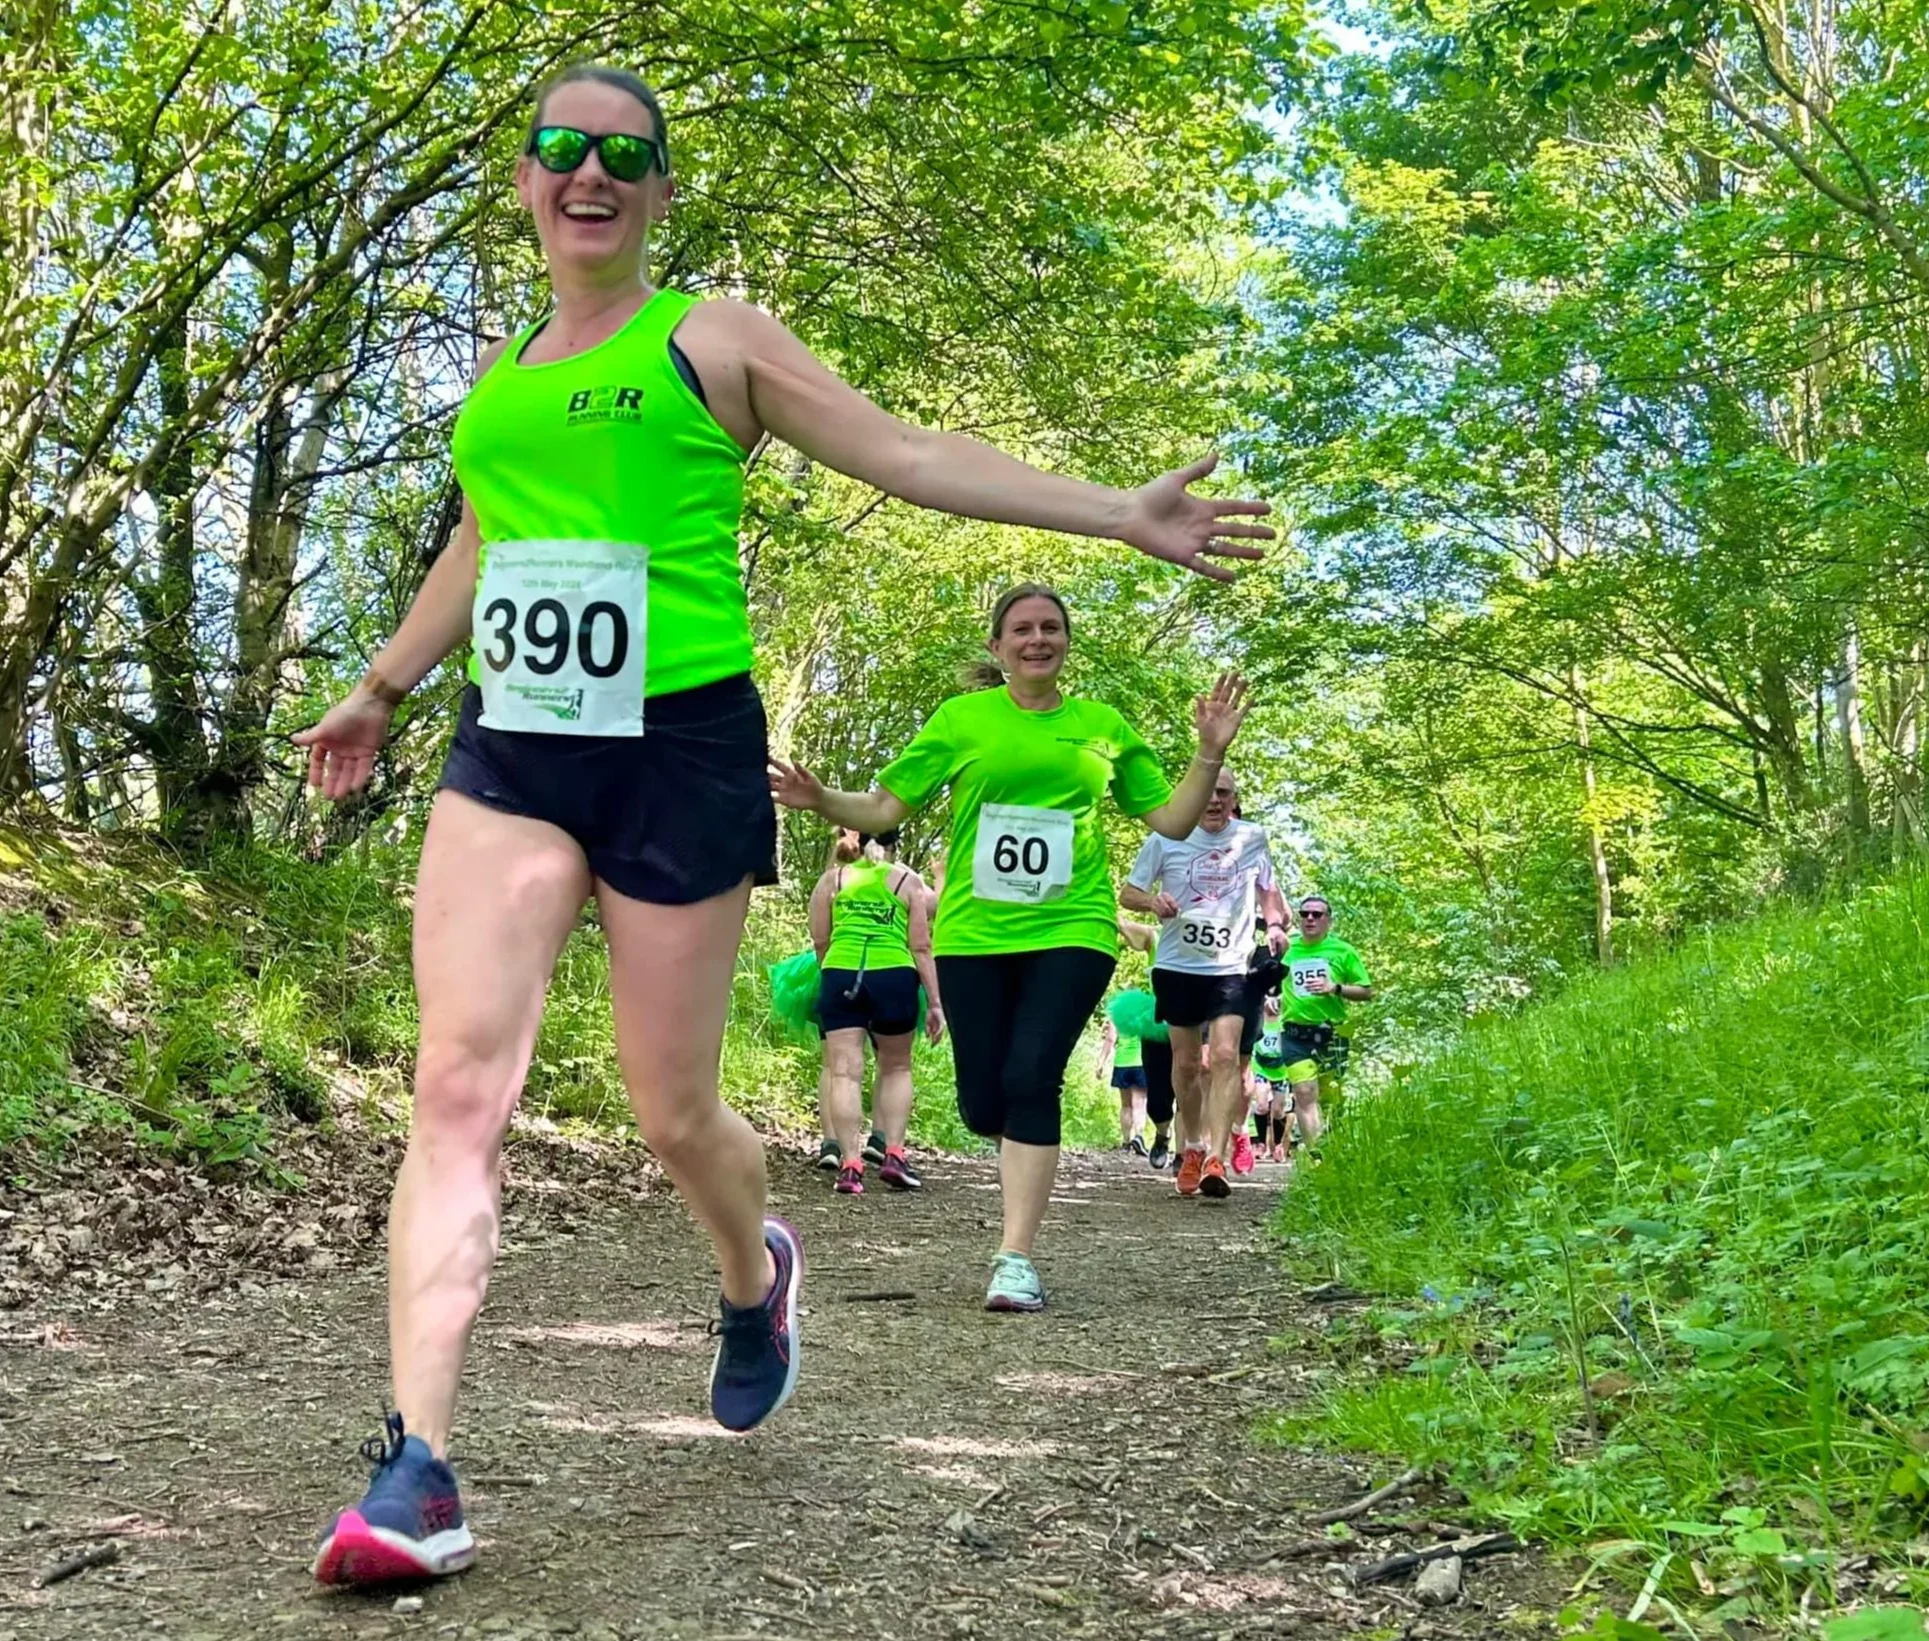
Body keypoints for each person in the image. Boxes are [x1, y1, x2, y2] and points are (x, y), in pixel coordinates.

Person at [293, 63, 1270, 1588]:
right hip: (514, 750)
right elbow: (486, 543)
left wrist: (1112, 512)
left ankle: (754, 1277)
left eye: (624, 154)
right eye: (561, 150)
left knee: (672, 1110)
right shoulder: (503, 378)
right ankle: (414, 1463)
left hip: (680, 750)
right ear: (528, 183)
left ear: (663, 190)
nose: (589, 174)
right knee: (458, 1084)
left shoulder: (712, 337)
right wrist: (378, 687)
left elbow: (904, 453)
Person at [771, 585, 1253, 1311]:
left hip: (1072, 927)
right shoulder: (963, 720)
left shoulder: (1102, 727)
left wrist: (1209, 752)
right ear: (997, 647)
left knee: (1032, 1076)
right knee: (981, 1102)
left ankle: (1014, 1257)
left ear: (1065, 642)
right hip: (973, 934)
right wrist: (823, 797)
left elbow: (1174, 819)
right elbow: (883, 808)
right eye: (1021, 629)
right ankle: (1010, 1140)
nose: (1037, 639)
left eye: (1051, 628)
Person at [1120, 772, 1286, 1199]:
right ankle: (1191, 1145)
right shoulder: (1166, 837)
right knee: (1188, 1063)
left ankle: (1216, 1156)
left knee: (1227, 1057)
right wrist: (1153, 901)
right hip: (1178, 965)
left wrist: (1273, 925)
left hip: (1231, 965)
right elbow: (1128, 893)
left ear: (1234, 799)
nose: (1213, 801)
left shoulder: (1252, 837)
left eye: (1223, 793)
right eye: (1207, 793)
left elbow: (1268, 889)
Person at [808, 828, 943, 1193]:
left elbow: (820, 938)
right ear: (894, 844)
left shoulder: (833, 879)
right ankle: (894, 1156)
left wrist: (833, 972)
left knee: (844, 1072)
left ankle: (850, 1167)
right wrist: (934, 1002)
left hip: (841, 973)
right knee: (896, 1066)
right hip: (894, 976)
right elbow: (921, 945)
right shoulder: (907, 881)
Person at [1279, 894, 1374, 1151]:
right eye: (1304, 914)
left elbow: (1367, 992)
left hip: (1332, 1032)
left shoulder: (1343, 951)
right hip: (1294, 1033)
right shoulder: (1287, 948)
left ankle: (1335, 1150)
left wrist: (1334, 988)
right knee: (1304, 1093)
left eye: (1317, 914)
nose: (1310, 918)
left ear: (1328, 920)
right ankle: (1317, 1156)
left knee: (1332, 1097)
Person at [1097, 989, 1154, 1154]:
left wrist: (1101, 1062)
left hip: (1121, 1064)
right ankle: (1139, 1136)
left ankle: (1126, 1141)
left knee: (1126, 1105)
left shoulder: (1117, 1018)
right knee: (1140, 1103)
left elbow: (1110, 1040)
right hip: (1140, 1063)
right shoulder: (1143, 1018)